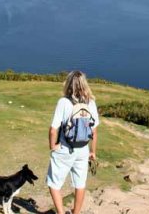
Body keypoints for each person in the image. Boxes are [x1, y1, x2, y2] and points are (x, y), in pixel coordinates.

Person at [47, 70, 99, 214]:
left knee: (54, 183)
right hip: (83, 149)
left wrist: (52, 147)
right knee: (80, 184)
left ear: (68, 83)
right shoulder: (91, 103)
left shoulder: (63, 102)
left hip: (65, 147)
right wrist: (93, 152)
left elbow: (53, 130)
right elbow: (94, 132)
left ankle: (61, 213)